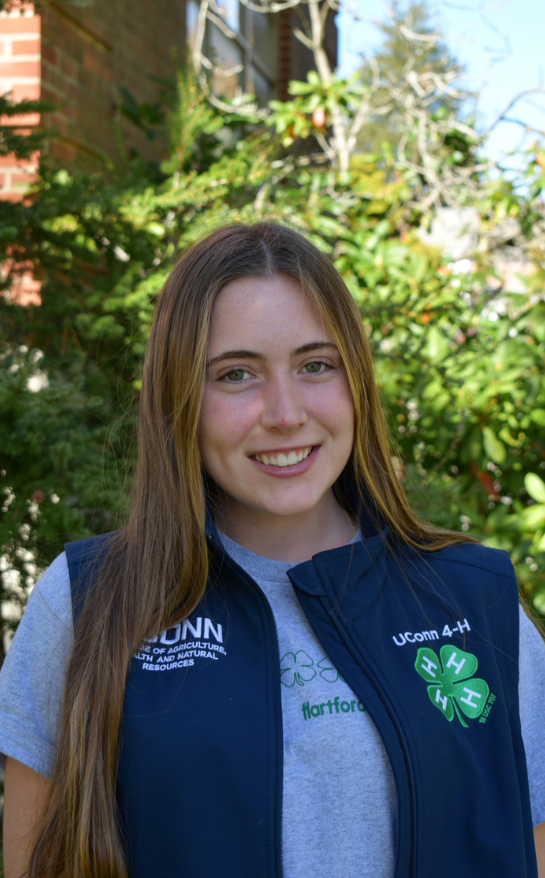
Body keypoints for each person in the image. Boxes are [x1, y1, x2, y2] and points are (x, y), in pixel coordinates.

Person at [1, 221, 545, 878]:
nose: (284, 413)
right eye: (235, 375)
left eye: (316, 365)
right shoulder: (88, 600)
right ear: (181, 399)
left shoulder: (474, 602)